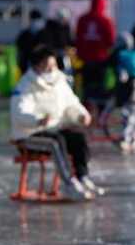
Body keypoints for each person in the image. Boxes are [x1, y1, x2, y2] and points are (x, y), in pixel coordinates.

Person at [10, 45, 102, 200]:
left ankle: (82, 177)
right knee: (55, 142)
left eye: (53, 65)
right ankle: (69, 183)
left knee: (79, 137)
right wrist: (37, 120)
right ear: (36, 67)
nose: (51, 69)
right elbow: (19, 111)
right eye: (46, 66)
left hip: (53, 129)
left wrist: (81, 115)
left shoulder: (59, 81)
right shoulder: (25, 85)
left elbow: (71, 103)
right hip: (29, 135)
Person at [104, 32, 135, 153]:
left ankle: (125, 139)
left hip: (128, 88)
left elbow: (106, 65)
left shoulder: (118, 55)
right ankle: (134, 138)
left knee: (127, 114)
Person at [74, 0, 116, 107]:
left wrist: (80, 52)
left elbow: (77, 38)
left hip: (86, 59)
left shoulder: (82, 19)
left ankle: (86, 111)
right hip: (101, 59)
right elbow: (111, 40)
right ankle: (100, 113)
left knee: (86, 87)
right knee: (100, 87)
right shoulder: (106, 21)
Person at [16, 9, 51, 73]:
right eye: (33, 19)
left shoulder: (45, 34)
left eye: (37, 20)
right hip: (27, 62)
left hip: (42, 61)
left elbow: (49, 46)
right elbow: (19, 46)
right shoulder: (25, 34)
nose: (35, 22)